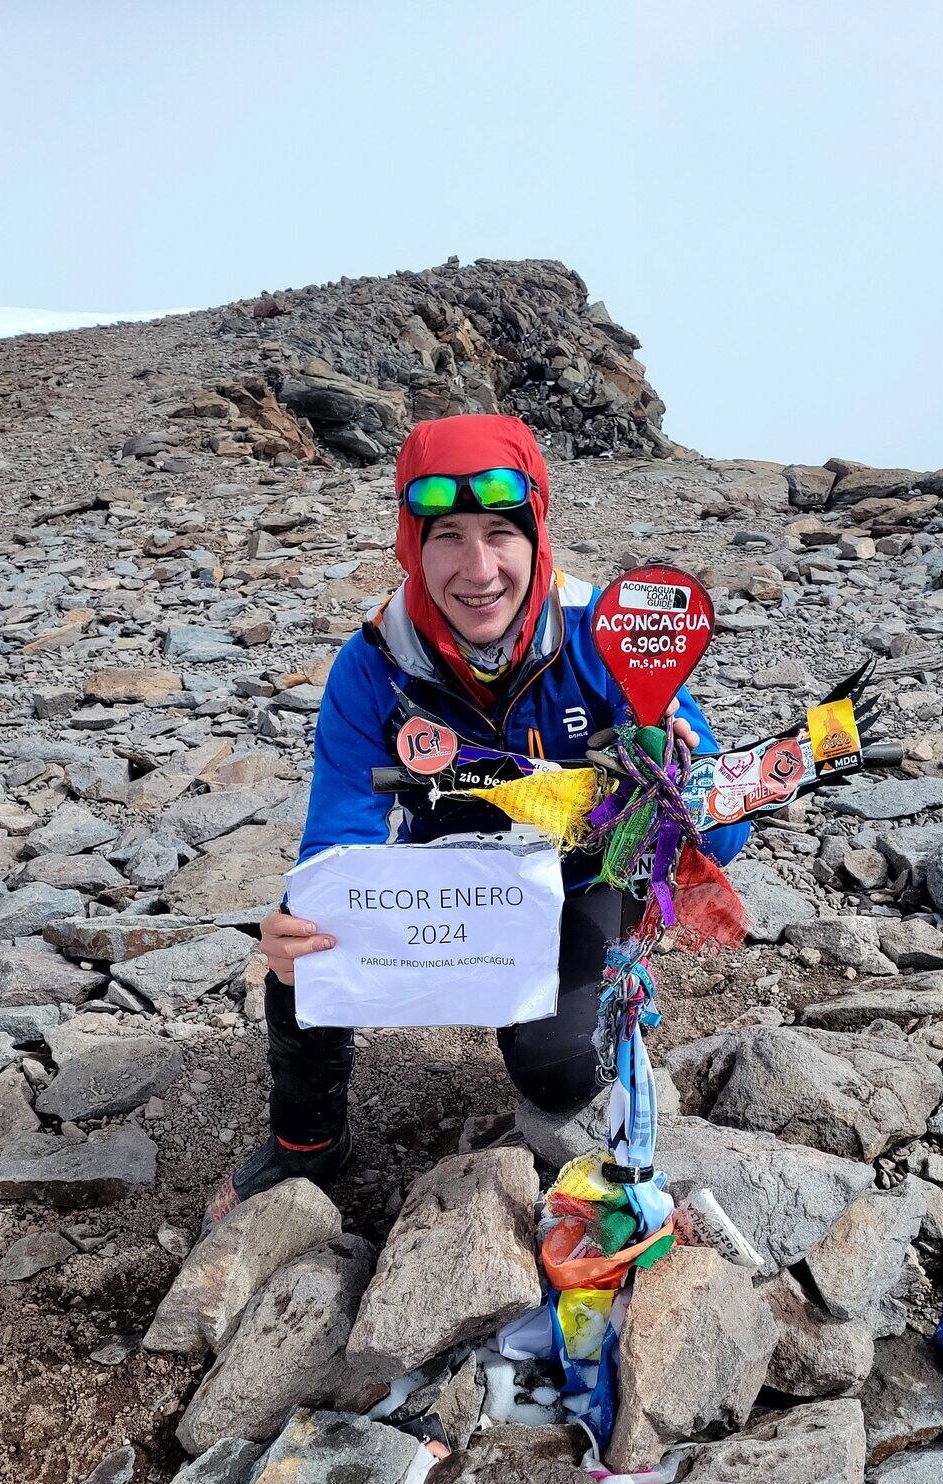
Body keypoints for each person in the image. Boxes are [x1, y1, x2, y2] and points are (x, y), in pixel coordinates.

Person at [207, 413, 749, 1222]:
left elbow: (727, 835)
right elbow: (338, 840)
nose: (479, 568)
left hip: (579, 878)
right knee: (300, 939)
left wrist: (679, 787)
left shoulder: (612, 637)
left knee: (557, 1070)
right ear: (410, 544)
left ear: (538, 534)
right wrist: (304, 920)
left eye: (502, 531)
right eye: (447, 535)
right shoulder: (375, 667)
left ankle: (583, 999)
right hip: (446, 888)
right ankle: (306, 1144)